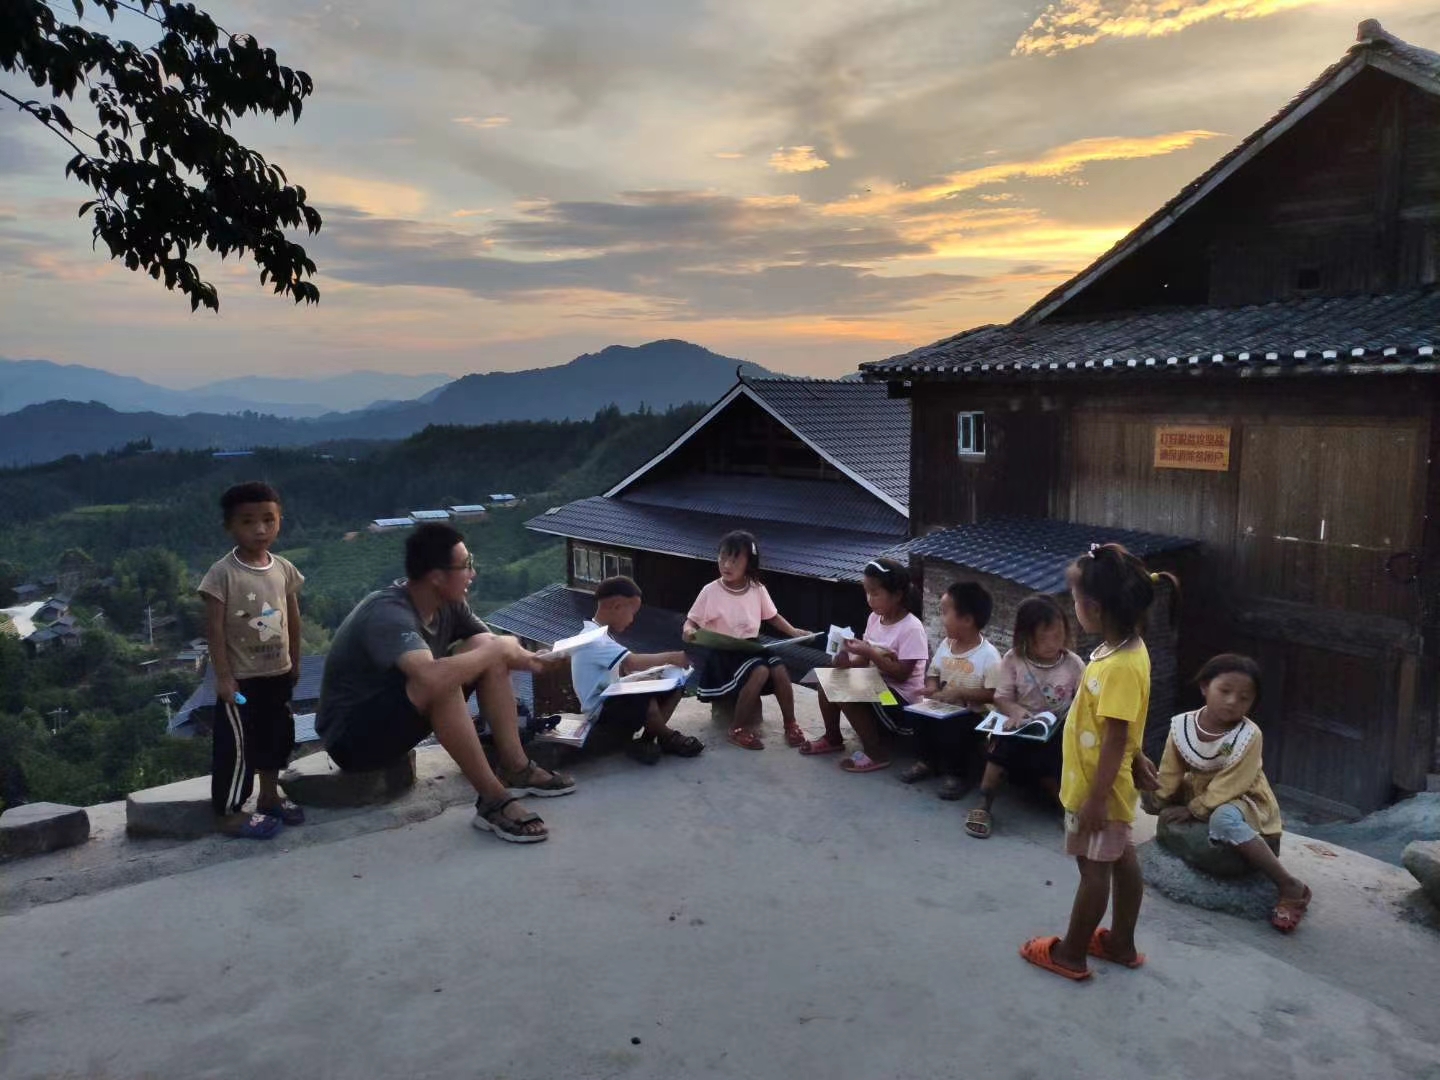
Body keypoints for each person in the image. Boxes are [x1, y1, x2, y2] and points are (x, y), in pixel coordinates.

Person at [316, 523, 575, 845]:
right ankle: (493, 799)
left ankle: (516, 767)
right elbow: (431, 677)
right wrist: (498, 649)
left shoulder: (450, 604)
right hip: (352, 740)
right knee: (443, 679)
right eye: (466, 565)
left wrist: (544, 660)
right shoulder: (387, 613)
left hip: (395, 719)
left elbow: (497, 650)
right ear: (437, 576)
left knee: (482, 652)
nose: (473, 573)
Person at [1020, 543, 1177, 981]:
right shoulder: (1124, 649)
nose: (1074, 609)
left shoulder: (1120, 665)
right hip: (1105, 784)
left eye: (1074, 601)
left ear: (1093, 607)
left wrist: (1095, 799)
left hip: (1097, 789)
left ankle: (1070, 953)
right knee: (1120, 856)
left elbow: (1114, 736)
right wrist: (1138, 756)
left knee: (1092, 871)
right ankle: (1120, 942)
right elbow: (1124, 724)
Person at [1151, 654, 1311, 932]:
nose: (1232, 701)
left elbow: (1232, 782)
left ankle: (1289, 885)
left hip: (1242, 796)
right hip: (1199, 790)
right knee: (1157, 798)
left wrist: (1194, 809)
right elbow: (1170, 770)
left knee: (1223, 820)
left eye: (1244, 698)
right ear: (1205, 687)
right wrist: (1159, 799)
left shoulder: (1249, 735)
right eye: (1224, 691)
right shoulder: (1182, 726)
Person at [199, 481, 305, 840]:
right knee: (237, 747)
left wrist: (295, 661)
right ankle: (229, 812)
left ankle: (269, 796)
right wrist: (223, 678)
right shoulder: (222, 574)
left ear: (279, 520)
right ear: (229, 526)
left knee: (276, 738)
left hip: (278, 673)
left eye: (268, 520)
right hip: (242, 680)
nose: (260, 529)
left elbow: (293, 619)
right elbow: (214, 630)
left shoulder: (284, 568)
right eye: (248, 521)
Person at [965, 595, 1084, 839]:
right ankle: (984, 802)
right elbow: (1001, 697)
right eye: (1044, 638)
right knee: (1001, 749)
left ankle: (1066, 808)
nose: (1053, 644)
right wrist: (1015, 711)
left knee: (1054, 759)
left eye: (1058, 636)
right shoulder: (1014, 659)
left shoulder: (1073, 664)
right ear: (1026, 637)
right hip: (1021, 724)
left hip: (1057, 728)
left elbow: (1083, 701)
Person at [683, 530, 812, 751]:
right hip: (724, 652)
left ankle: (790, 723)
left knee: (779, 669)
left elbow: (772, 616)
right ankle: (737, 729)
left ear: (748, 563)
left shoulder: (757, 588)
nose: (726, 565)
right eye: (722, 557)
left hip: (751, 646)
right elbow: (691, 621)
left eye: (734, 560)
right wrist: (688, 631)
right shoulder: (710, 591)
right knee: (759, 671)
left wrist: (793, 632)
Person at [798, 558, 929, 774]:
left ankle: (876, 752)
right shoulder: (874, 619)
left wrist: (869, 652)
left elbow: (902, 674)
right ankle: (832, 737)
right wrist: (846, 662)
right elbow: (861, 662)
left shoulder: (912, 628)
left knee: (843, 688)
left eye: (875, 593)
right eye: (867, 592)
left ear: (897, 595)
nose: (870, 599)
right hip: (878, 691)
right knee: (829, 678)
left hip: (900, 702)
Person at [571, 576, 705, 764]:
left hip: (612, 701)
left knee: (675, 687)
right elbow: (632, 662)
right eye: (632, 612)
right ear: (617, 606)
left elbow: (622, 671)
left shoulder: (602, 635)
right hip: (600, 711)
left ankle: (647, 740)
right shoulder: (594, 638)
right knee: (641, 696)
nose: (632, 620)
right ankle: (668, 737)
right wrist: (672, 657)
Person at [905, 581, 1001, 799]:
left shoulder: (989, 655)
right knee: (918, 718)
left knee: (955, 729)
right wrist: (931, 689)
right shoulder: (946, 645)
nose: (941, 618)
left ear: (967, 620)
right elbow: (933, 673)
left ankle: (958, 775)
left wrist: (961, 693)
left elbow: (994, 694)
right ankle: (927, 762)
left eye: (945, 612)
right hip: (943, 707)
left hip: (974, 714)